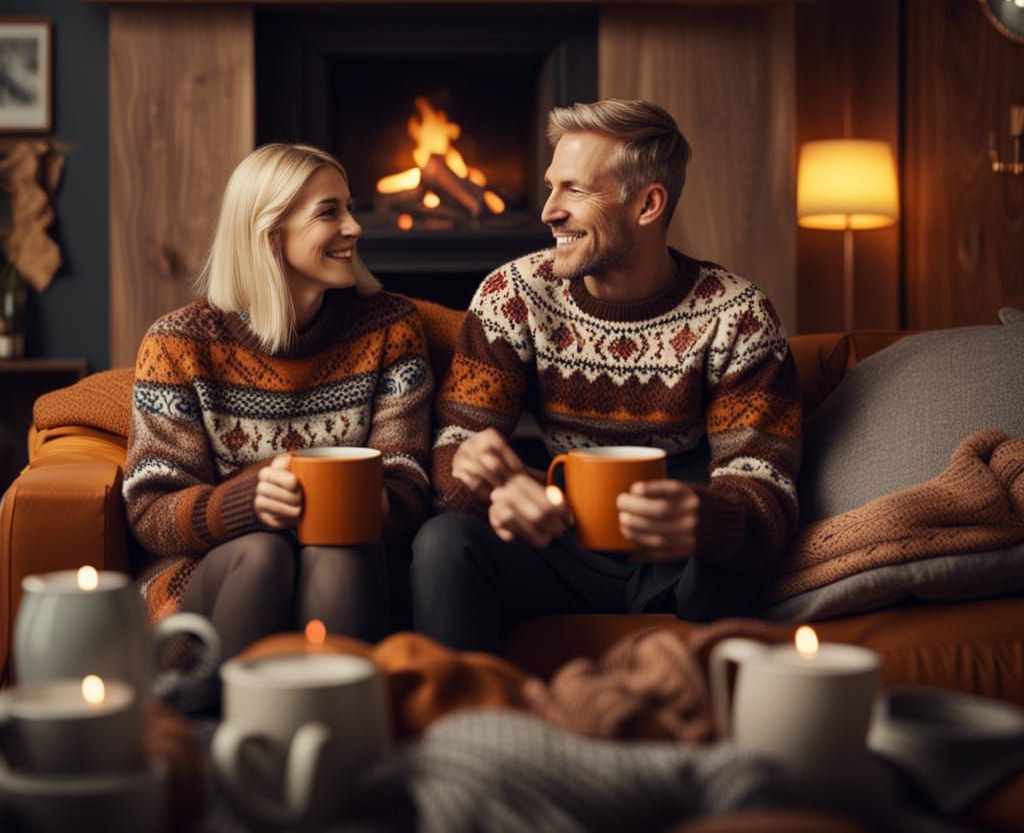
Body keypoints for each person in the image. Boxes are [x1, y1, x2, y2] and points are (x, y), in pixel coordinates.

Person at [411, 99, 801, 653]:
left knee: (728, 564)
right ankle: (461, 726)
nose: (548, 211)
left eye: (574, 190)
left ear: (647, 204)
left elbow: (767, 487)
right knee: (443, 542)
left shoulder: (739, 316)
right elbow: (456, 444)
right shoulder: (513, 295)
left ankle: (704, 725)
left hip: (677, 554)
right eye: (551, 187)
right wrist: (478, 476)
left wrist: (708, 520)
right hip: (556, 541)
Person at [123, 143, 432, 659]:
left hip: (350, 559)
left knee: (337, 553)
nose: (355, 228)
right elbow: (150, 510)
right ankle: (231, 729)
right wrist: (243, 505)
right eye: (329, 212)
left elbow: (408, 478)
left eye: (349, 207)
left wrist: (369, 502)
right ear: (271, 238)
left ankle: (337, 730)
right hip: (213, 569)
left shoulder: (390, 328)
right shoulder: (178, 343)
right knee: (264, 553)